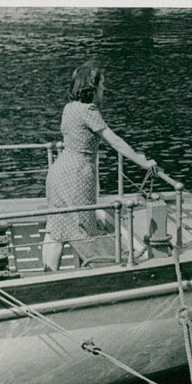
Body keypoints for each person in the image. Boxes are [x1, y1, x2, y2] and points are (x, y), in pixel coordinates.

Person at [41, 61, 155, 271]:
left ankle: (48, 277)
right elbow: (115, 141)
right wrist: (144, 163)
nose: (104, 89)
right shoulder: (89, 110)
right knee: (82, 229)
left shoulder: (69, 108)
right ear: (91, 88)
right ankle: (85, 276)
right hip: (76, 176)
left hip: (58, 172)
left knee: (55, 229)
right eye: (102, 85)